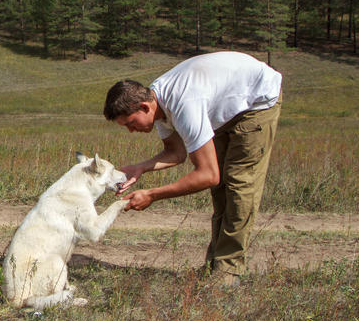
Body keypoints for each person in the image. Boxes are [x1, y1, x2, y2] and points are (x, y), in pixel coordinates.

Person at [104, 51, 282, 286]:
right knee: (221, 190)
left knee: (239, 186)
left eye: (131, 123)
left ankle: (227, 271)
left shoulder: (183, 105)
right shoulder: (159, 103)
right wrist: (140, 168)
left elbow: (207, 175)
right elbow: (176, 153)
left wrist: (152, 195)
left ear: (145, 107)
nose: (131, 130)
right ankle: (214, 265)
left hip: (257, 102)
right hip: (226, 107)